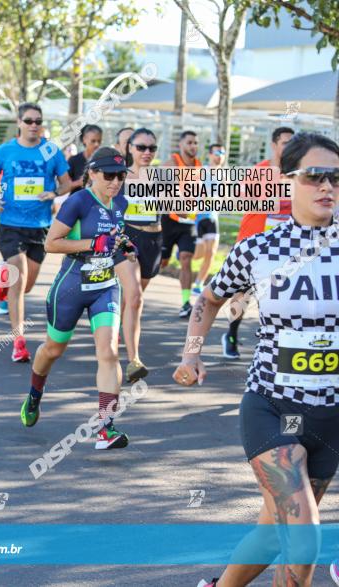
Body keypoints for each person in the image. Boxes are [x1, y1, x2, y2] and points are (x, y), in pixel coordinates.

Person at [177, 133, 339, 587]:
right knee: (303, 538)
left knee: (274, 534)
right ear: (286, 180)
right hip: (272, 405)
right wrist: (192, 357)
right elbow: (207, 301)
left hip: (330, 416)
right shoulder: (258, 249)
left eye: (336, 177)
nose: (327, 186)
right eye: (315, 176)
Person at [20, 147, 136, 451]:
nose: (115, 182)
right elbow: (51, 244)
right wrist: (93, 243)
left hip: (105, 287)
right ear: (93, 174)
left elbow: (114, 239)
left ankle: (105, 428)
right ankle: (34, 393)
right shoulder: (78, 201)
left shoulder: (121, 202)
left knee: (109, 352)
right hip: (70, 288)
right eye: (109, 175)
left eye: (121, 176)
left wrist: (123, 246)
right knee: (52, 349)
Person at [0, 102, 72, 362]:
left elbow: (66, 183)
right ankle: (18, 342)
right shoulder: (6, 150)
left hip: (40, 226)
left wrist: (54, 193)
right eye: (29, 121)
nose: (34, 125)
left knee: (27, 286)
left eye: (38, 121)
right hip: (10, 224)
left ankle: (4, 284)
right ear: (19, 123)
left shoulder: (51, 151)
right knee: (19, 281)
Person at [223, 126, 296, 359]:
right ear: (274, 145)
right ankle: (231, 334)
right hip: (254, 246)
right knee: (243, 296)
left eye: (293, 143)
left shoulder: (298, 175)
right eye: (285, 142)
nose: (290, 147)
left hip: (286, 248)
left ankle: (275, 342)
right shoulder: (259, 172)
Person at [113, 128, 160, 383]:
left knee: (131, 299)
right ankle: (134, 361)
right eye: (141, 147)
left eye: (152, 148)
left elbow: (180, 210)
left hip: (153, 239)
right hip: (128, 238)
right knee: (135, 298)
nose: (147, 153)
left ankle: (113, 326)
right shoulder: (119, 177)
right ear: (130, 148)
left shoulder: (161, 177)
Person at [161, 130, 201, 318]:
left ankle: (186, 302)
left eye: (196, 143)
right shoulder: (171, 164)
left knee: (186, 258)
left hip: (188, 222)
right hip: (168, 221)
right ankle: (131, 295)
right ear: (181, 145)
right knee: (161, 262)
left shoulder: (199, 166)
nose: (193, 146)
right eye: (190, 142)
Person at [191, 143, 226, 294]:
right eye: (217, 153)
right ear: (210, 155)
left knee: (211, 252)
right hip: (197, 217)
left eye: (222, 153)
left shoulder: (224, 176)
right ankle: (181, 252)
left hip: (212, 217)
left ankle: (198, 284)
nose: (219, 156)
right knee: (197, 254)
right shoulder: (201, 171)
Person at [67, 124, 103, 191]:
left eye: (99, 141)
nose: (97, 144)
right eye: (93, 141)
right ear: (84, 139)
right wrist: (79, 182)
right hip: (77, 199)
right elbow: (63, 186)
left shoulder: (104, 161)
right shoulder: (74, 160)